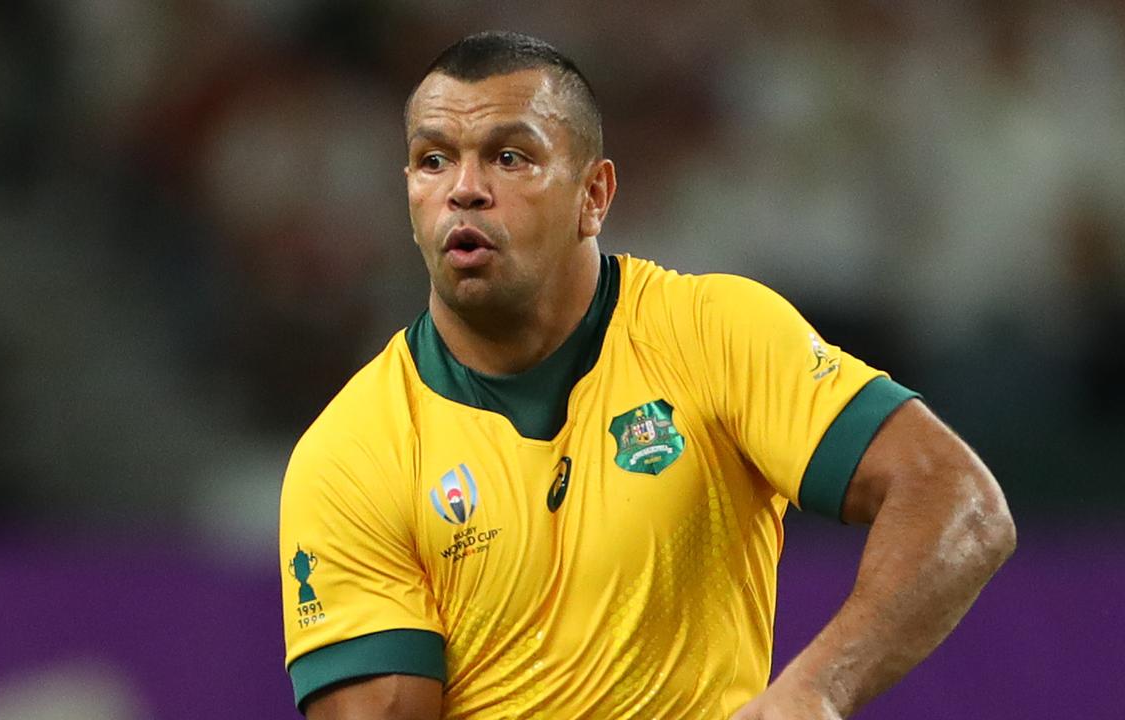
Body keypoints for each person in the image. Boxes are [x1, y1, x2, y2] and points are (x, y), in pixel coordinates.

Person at [279, 31, 1015, 720]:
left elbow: (957, 499)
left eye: (510, 157)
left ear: (594, 196)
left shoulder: (715, 334)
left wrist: (816, 689)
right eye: (435, 159)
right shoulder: (350, 454)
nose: (464, 189)